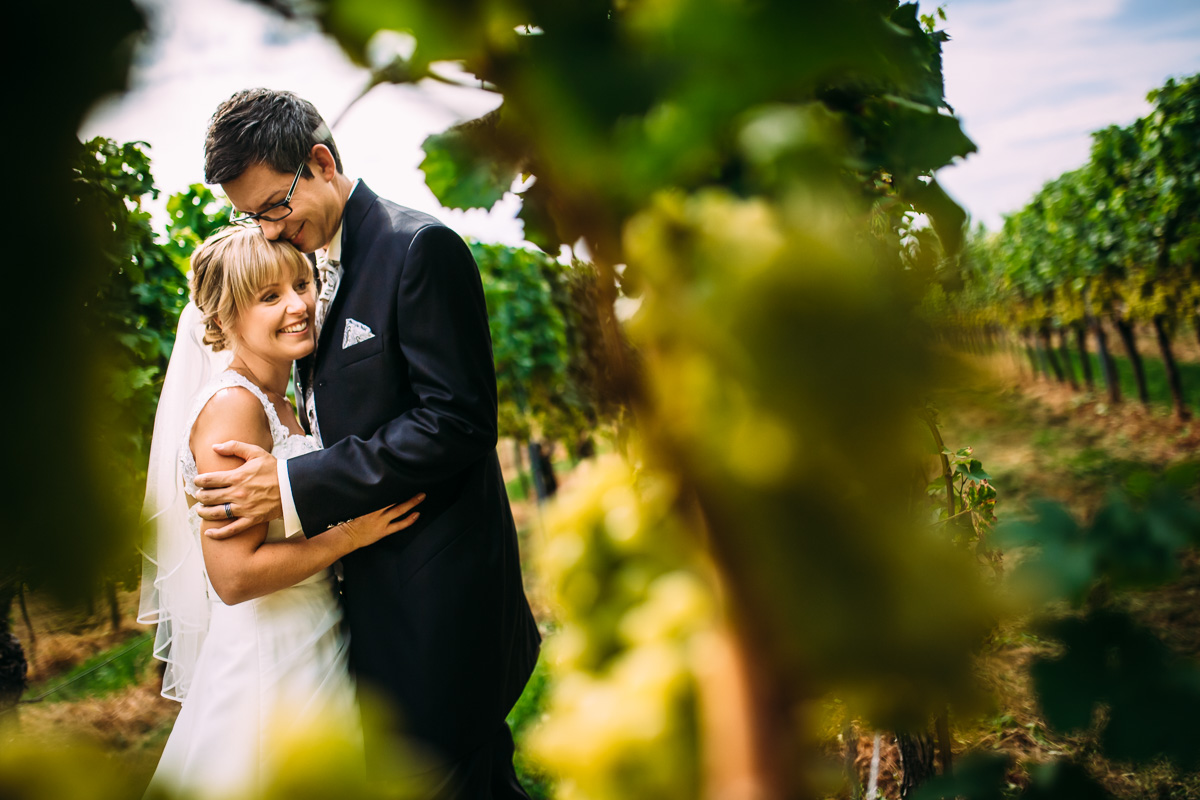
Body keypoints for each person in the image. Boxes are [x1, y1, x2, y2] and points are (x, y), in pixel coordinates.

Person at [190, 89, 541, 798]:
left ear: (320, 163)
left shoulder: (418, 248)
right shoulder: (317, 268)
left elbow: (457, 420)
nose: (270, 230)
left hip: (436, 609)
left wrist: (293, 484)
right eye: (253, 217)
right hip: (369, 617)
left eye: (275, 206)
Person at [141, 226, 425, 799]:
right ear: (226, 318)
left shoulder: (285, 399)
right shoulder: (233, 407)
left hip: (317, 633)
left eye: (301, 284)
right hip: (271, 658)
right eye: (269, 296)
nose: (298, 305)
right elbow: (233, 576)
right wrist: (350, 536)